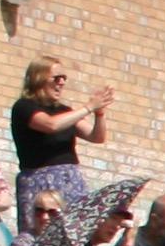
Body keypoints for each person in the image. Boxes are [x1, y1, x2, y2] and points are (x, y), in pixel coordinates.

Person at [11, 57, 112, 226]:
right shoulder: (24, 107)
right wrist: (88, 107)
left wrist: (99, 113)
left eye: (64, 78)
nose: (61, 83)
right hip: (39, 181)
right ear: (39, 78)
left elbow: (96, 137)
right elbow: (51, 125)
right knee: (41, 230)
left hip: (69, 179)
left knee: (76, 227)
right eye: (56, 78)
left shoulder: (65, 111)